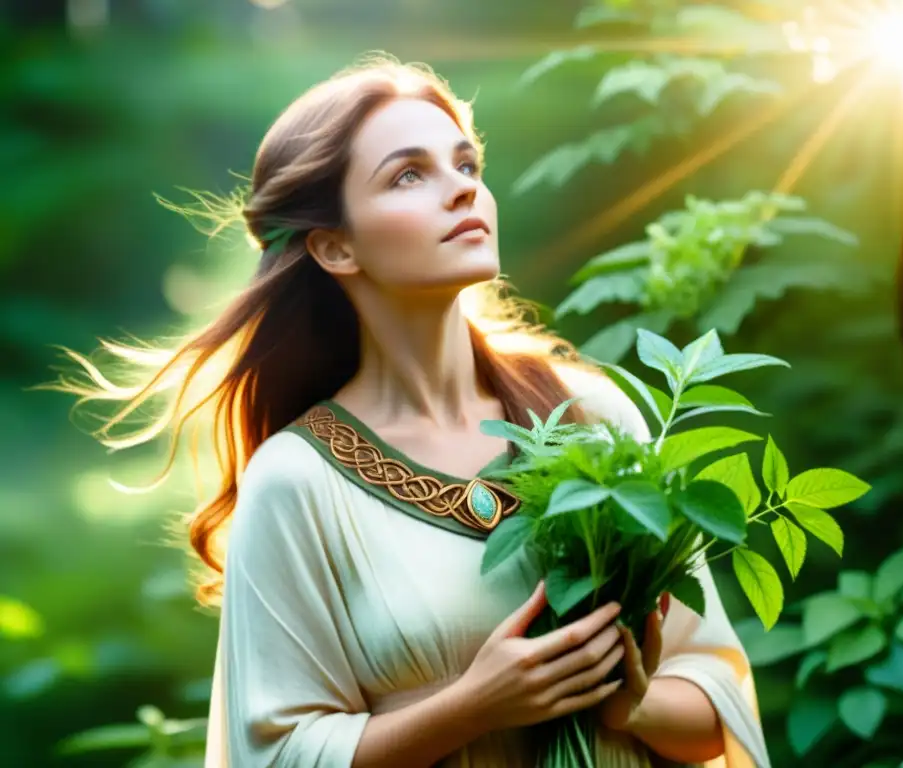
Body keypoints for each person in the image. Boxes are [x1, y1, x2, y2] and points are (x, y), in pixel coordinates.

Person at [60, 55, 769, 768]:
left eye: (466, 165)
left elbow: (718, 710)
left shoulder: (592, 412)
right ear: (335, 247)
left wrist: (633, 705)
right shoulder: (299, 483)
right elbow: (273, 756)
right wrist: (475, 706)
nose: (462, 191)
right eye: (409, 174)